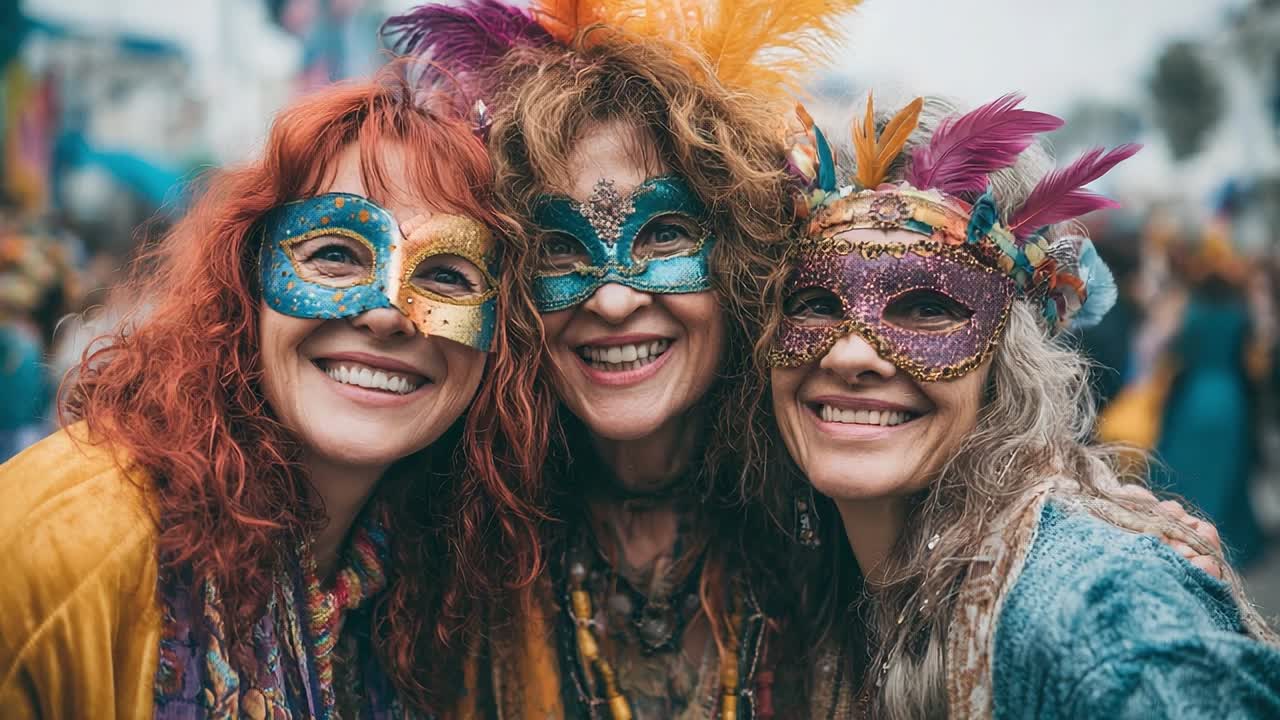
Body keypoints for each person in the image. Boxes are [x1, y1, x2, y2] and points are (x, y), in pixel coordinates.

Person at [0, 66, 545, 718]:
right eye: (336, 254)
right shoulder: (58, 547)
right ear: (247, 279)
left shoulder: (432, 585)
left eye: (448, 275)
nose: (388, 315)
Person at [386, 0, 869, 716]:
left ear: (742, 257)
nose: (612, 301)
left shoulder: (841, 507)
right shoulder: (441, 522)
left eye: (665, 234)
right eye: (558, 246)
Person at [761, 93, 1280, 717]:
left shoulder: (1090, 601)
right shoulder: (814, 581)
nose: (849, 355)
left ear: (1011, 355)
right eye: (816, 302)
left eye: (928, 307)